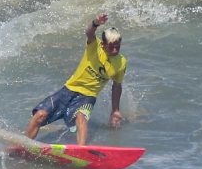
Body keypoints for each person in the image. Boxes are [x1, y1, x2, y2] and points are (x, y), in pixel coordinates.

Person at [25, 13, 126, 145]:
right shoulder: (94, 47)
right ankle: (24, 145)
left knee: (81, 117)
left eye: (117, 46)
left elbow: (117, 86)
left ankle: (81, 151)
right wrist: (96, 23)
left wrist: (115, 111)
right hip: (68, 90)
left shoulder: (121, 62)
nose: (115, 50)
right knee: (40, 115)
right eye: (111, 46)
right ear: (103, 45)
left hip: (88, 97)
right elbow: (89, 33)